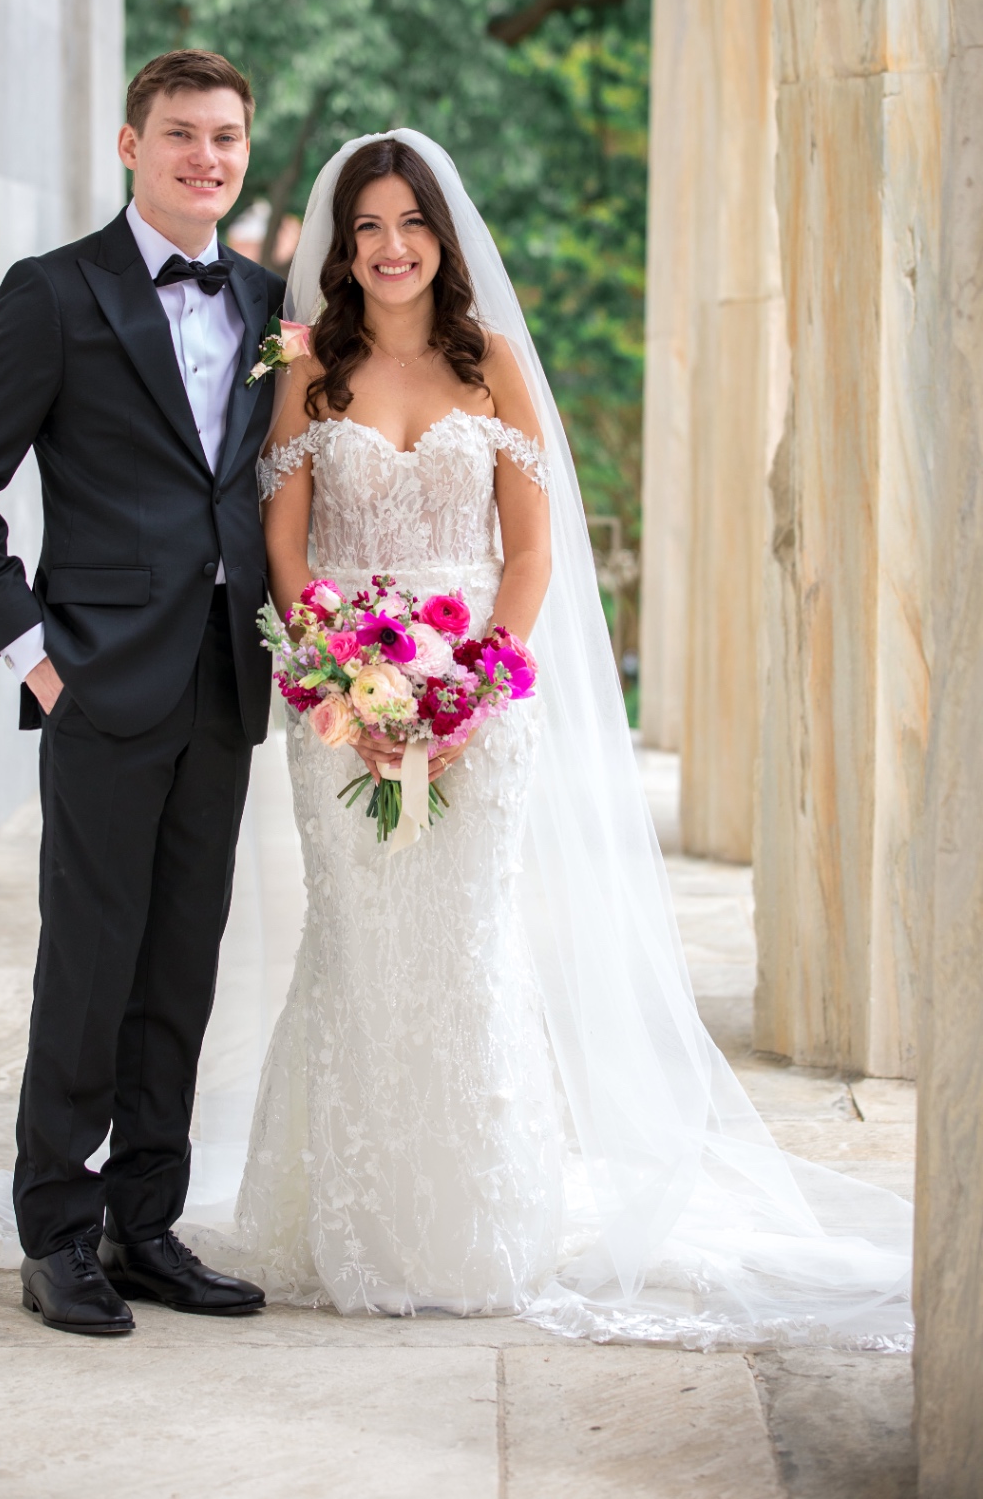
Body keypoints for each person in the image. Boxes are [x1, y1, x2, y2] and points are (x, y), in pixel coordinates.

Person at [198, 130, 914, 1347]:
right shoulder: (305, 371)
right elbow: (283, 550)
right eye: (365, 226)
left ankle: (477, 1222)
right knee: (362, 946)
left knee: (465, 942)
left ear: (444, 235)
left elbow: (528, 551)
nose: (387, 248)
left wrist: (472, 689)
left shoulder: (496, 371)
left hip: (480, 698)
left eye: (408, 224)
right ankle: (350, 1220)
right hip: (337, 707)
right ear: (343, 243)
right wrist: (339, 685)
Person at [0, 50, 279, 1335]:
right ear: (130, 146)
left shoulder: (271, 301)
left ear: (247, 150)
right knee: (88, 964)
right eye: (180, 134)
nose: (205, 157)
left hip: (227, 681)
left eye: (225, 137)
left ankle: (146, 1224)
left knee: (181, 963)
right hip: (99, 682)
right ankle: (56, 1233)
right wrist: (33, 654)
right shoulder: (54, 294)